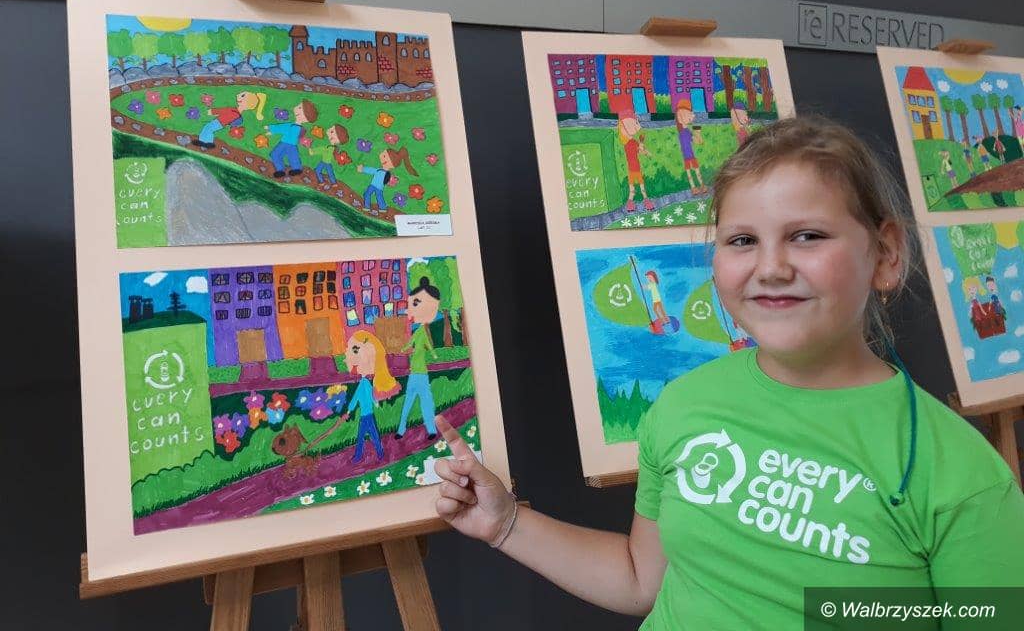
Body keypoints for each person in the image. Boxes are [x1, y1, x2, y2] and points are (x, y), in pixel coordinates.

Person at [432, 117, 1024, 629]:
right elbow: (641, 578)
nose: (771, 267)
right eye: (742, 240)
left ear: (886, 254)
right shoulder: (684, 404)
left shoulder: (961, 476)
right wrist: (506, 524)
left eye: (807, 236)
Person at [342, 330, 400, 463]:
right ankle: (370, 454)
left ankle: (370, 454)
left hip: (367, 416)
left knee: (368, 436)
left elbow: (363, 396)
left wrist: (374, 403)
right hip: (366, 415)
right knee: (368, 436)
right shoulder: (364, 383)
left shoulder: (365, 383)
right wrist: (350, 410)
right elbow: (357, 398)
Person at [396, 276, 441, 439]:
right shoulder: (418, 332)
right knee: (411, 403)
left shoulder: (421, 331)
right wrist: (404, 349)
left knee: (424, 402)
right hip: (415, 373)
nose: (410, 310)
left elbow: (427, 344)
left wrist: (434, 354)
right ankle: (402, 430)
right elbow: (411, 343)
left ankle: (430, 430)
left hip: (420, 374)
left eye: (414, 304)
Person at [193, 91, 266, 149]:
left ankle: (205, 142)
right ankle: (205, 141)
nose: (237, 95)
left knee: (208, 128)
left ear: (246, 103)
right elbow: (224, 111)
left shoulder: (235, 113)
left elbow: (223, 111)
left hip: (219, 122)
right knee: (208, 128)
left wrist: (212, 111)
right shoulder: (235, 111)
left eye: (242, 96)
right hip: (219, 121)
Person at [265, 99, 316, 178]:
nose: (296, 108)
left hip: (289, 144)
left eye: (299, 108)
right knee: (278, 155)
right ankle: (281, 169)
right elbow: (283, 127)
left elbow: (283, 128)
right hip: (285, 143)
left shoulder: (296, 127)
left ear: (306, 118)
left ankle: (292, 169)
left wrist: (271, 129)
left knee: (289, 156)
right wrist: (271, 129)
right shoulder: (293, 125)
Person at [357, 147, 418, 211]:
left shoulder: (387, 173)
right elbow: (371, 170)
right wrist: (362, 169)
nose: (381, 156)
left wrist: (392, 181)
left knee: (379, 197)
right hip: (372, 185)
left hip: (379, 187)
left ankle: (382, 207)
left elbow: (390, 181)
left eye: (384, 156)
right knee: (368, 194)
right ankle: (367, 206)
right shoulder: (379, 170)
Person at [618, 111, 654, 212]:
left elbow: (640, 150)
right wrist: (642, 147)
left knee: (641, 189)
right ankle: (631, 204)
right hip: (632, 170)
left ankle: (646, 202)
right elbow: (637, 149)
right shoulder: (628, 144)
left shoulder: (633, 142)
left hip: (636, 169)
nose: (635, 127)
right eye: (633, 124)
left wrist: (646, 152)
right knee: (633, 190)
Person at [674, 99, 707, 195]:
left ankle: (701, 185)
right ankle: (693, 187)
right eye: (688, 114)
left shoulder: (687, 132)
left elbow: (698, 142)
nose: (692, 116)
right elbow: (684, 145)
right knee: (690, 173)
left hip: (691, 156)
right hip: (687, 157)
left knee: (696, 172)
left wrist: (698, 134)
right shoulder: (682, 133)